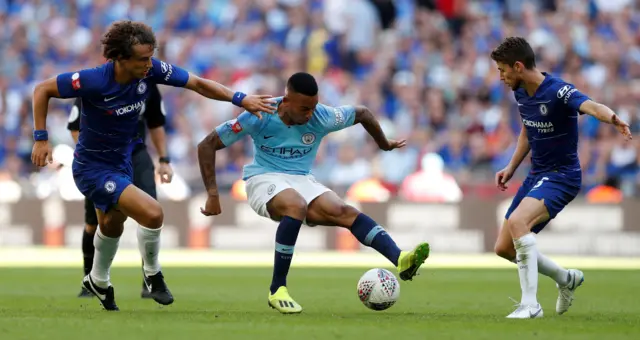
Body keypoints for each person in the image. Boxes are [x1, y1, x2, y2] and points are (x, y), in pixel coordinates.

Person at [30, 20, 275, 311]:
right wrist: (41, 138)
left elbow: (197, 83)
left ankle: (97, 280)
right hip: (92, 168)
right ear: (120, 58)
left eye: (150, 57)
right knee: (153, 213)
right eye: (143, 59)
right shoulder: (93, 80)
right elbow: (42, 89)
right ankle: (153, 275)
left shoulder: (152, 72)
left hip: (123, 163)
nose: (150, 64)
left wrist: (241, 98)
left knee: (111, 225)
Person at [197, 72, 430, 314]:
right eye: (305, 108)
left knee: (345, 211)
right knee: (296, 205)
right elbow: (207, 144)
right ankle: (278, 289)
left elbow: (362, 113)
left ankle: (400, 259)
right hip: (262, 178)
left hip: (301, 179)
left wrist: (383, 143)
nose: (310, 114)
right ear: (285, 101)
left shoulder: (322, 116)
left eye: (314, 106)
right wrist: (212, 194)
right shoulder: (259, 113)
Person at [490, 37, 632, 319]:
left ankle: (531, 305)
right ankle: (566, 279)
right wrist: (511, 166)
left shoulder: (558, 90)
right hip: (537, 174)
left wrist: (612, 117)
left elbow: (590, 106)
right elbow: (527, 129)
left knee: (519, 222)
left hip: (562, 176)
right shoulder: (521, 93)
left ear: (518, 67)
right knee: (504, 248)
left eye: (503, 70)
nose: (501, 77)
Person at [68, 82, 169, 299]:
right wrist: (89, 154)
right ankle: (90, 281)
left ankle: (149, 282)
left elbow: (156, 123)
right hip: (101, 159)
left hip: (136, 154)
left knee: (150, 213)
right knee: (94, 222)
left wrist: (164, 159)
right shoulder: (96, 82)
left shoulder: (147, 84)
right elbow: (75, 126)